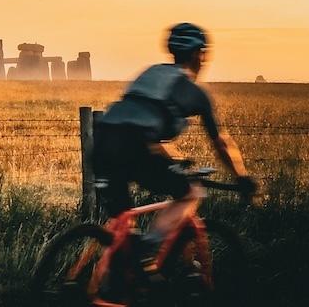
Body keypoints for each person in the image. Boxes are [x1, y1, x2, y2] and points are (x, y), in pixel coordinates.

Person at [93, 22, 256, 276]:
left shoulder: (150, 74)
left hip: (103, 143)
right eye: (203, 53)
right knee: (189, 192)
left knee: (125, 226)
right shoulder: (195, 93)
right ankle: (149, 248)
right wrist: (241, 177)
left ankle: (112, 286)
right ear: (196, 54)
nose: (204, 59)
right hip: (134, 148)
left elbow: (139, 124)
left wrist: (174, 160)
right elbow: (220, 142)